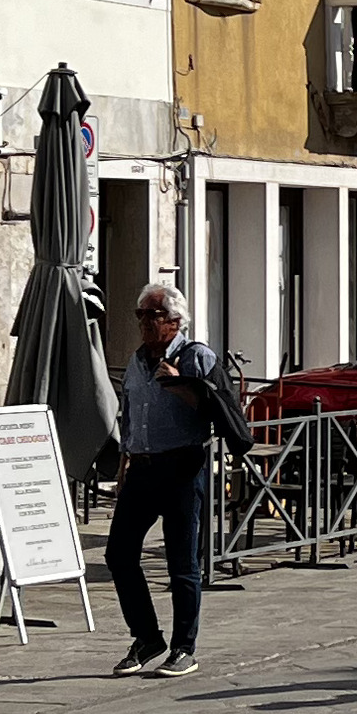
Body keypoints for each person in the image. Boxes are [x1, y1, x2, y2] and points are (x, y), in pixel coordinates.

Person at [107, 283, 229, 675]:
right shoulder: (137, 361)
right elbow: (129, 416)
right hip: (141, 468)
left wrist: (181, 384)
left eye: (153, 314)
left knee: (182, 562)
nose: (144, 321)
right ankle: (147, 638)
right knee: (119, 555)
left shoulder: (197, 357)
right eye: (140, 314)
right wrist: (123, 468)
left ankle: (184, 648)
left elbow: (218, 411)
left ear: (176, 320)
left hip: (181, 468)